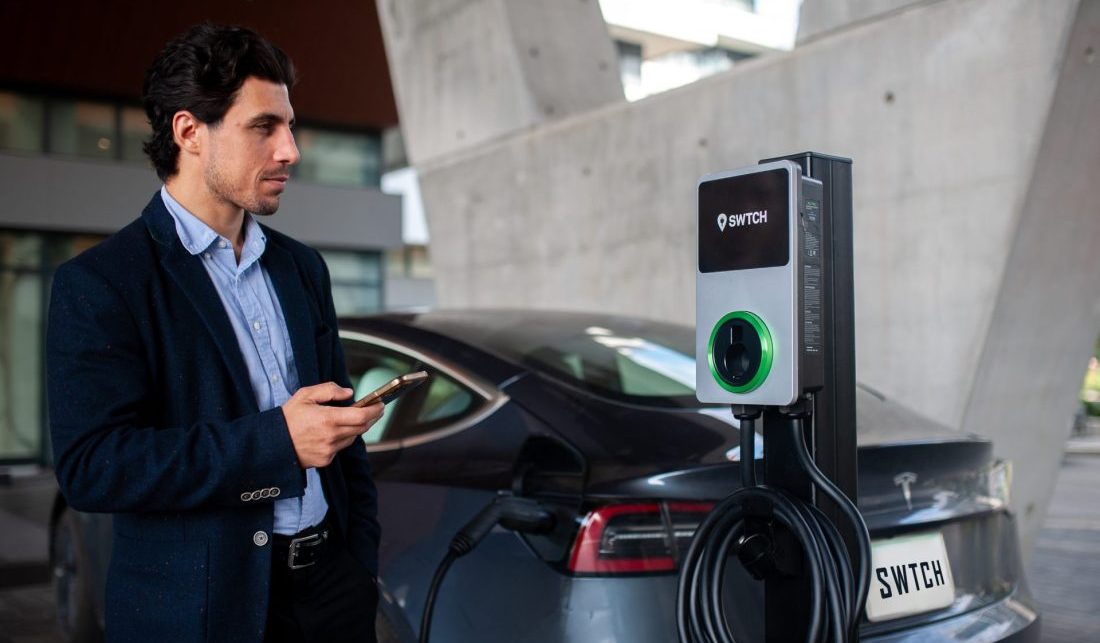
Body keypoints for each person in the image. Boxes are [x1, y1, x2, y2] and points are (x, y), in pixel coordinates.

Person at [46, 23, 383, 643]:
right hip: (201, 614)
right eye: (264, 128)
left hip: (332, 594)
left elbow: (342, 440)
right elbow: (93, 468)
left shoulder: (302, 267)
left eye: (290, 126)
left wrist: (357, 563)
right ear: (188, 132)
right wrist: (276, 441)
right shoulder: (101, 282)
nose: (291, 150)